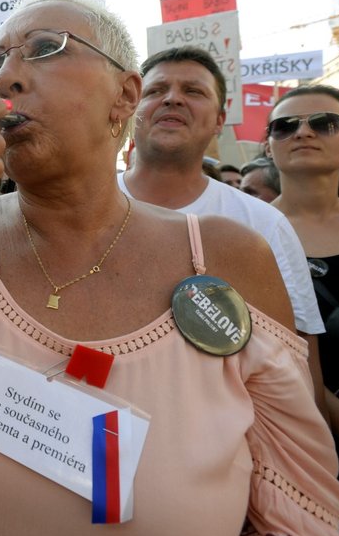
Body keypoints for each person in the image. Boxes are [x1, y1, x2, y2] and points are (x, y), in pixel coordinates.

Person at [0, 0, 339, 536]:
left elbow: (301, 509)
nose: (6, 77)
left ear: (125, 94)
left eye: (45, 47)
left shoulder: (229, 255)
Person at [119, 46, 327, 409]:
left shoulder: (264, 224)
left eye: (193, 91)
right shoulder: (78, 204)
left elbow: (300, 355)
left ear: (219, 119)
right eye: (155, 91)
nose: (172, 99)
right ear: (131, 108)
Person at [265, 84, 339, 536]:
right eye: (285, 125)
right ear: (269, 145)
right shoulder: (239, 233)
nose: (302, 132)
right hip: (289, 448)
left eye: (323, 122)